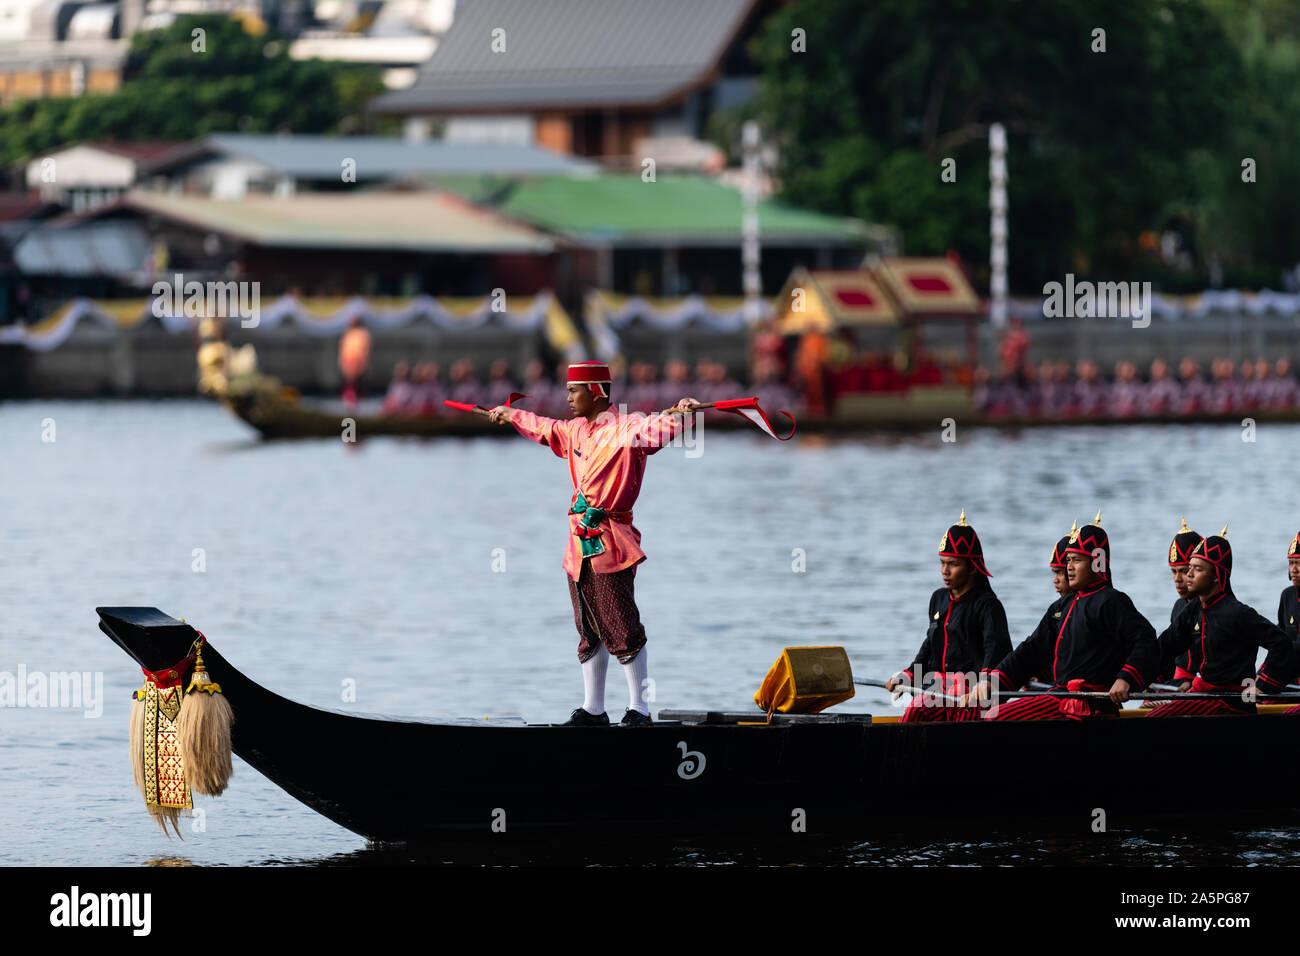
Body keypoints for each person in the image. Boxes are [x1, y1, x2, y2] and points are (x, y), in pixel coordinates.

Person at [486, 361, 701, 727]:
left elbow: (659, 428)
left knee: (622, 625)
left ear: (596, 391)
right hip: (577, 546)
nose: (567, 397)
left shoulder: (629, 428)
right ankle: (593, 710)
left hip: (611, 542)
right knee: (588, 628)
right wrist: (510, 414)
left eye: (574, 391)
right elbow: (543, 427)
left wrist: (682, 415)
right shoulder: (574, 431)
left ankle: (640, 710)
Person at [963, 512, 1158, 719]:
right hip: (1059, 697)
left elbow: (1146, 641)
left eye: (1076, 560)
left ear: (1097, 562)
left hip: (1093, 706)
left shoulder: (1112, 601)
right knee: (985, 711)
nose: (1069, 568)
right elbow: (1029, 652)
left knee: (996, 717)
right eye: (1067, 560)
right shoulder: (1061, 606)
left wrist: (1126, 678)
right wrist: (991, 683)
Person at [1147, 528, 1295, 717]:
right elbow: (1165, 646)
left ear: (1216, 575)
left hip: (1231, 703)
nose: (1189, 575)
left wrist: (1262, 685)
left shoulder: (1238, 613)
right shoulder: (1194, 609)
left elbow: (1281, 644)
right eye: (1189, 567)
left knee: (1155, 719)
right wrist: (1131, 676)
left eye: (1198, 569)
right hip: (1203, 694)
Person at [883, 510, 1011, 722]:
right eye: (942, 563)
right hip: (938, 689)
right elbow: (930, 645)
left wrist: (985, 683)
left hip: (972, 694)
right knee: (915, 712)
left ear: (972, 567)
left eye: (953, 564)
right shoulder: (938, 599)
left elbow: (996, 650)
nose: (945, 571)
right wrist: (908, 675)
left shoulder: (988, 606)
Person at [1166, 518, 1203, 692]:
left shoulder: (1213, 608)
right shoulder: (1179, 607)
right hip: (1182, 684)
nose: (1177, 579)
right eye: (1173, 572)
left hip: (1207, 688)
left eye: (1183, 571)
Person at [338, 317, 371, 408]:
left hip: (358, 362)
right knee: (349, 383)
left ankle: (360, 402)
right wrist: (343, 362)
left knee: (358, 383)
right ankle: (349, 400)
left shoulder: (363, 333)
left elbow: (365, 349)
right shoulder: (348, 333)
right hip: (348, 362)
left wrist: (362, 361)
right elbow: (344, 349)